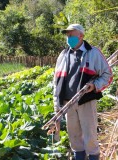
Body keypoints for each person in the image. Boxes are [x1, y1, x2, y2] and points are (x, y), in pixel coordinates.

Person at [53, 24, 113, 160]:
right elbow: (56, 81)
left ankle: (93, 157)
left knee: (90, 137)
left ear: (81, 36)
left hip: (86, 101)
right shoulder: (63, 55)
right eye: (67, 35)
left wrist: (95, 85)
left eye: (71, 35)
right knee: (74, 138)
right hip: (68, 103)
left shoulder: (93, 53)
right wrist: (56, 102)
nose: (69, 38)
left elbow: (107, 75)